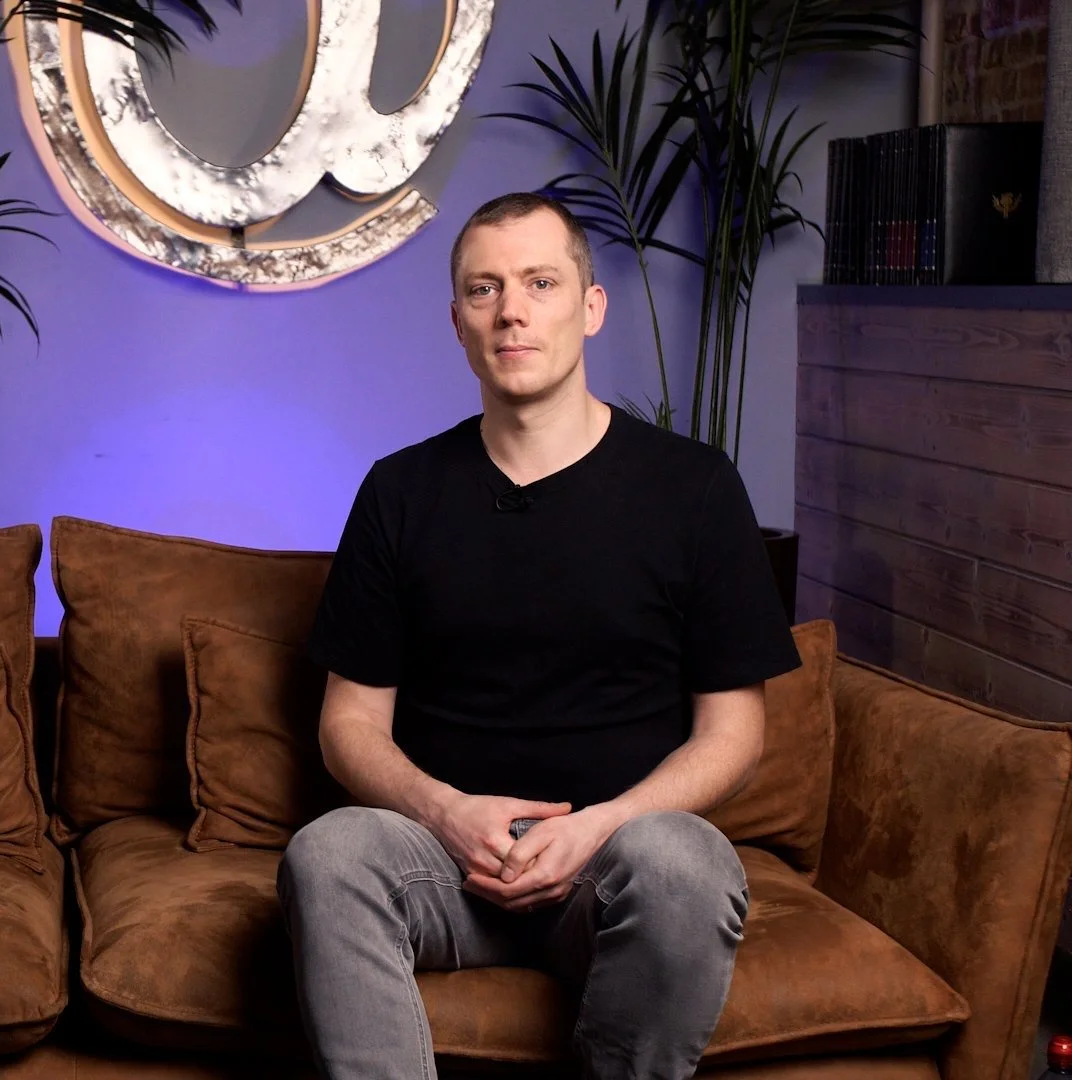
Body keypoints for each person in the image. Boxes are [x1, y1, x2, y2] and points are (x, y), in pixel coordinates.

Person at [278, 193, 801, 1080]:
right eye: (484, 290)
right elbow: (348, 726)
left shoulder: (696, 489)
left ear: (590, 308)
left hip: (613, 870)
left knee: (683, 861)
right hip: (443, 863)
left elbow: (734, 733)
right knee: (327, 853)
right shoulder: (399, 493)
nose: (511, 310)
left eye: (540, 282)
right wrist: (447, 813)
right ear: (457, 323)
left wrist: (602, 828)